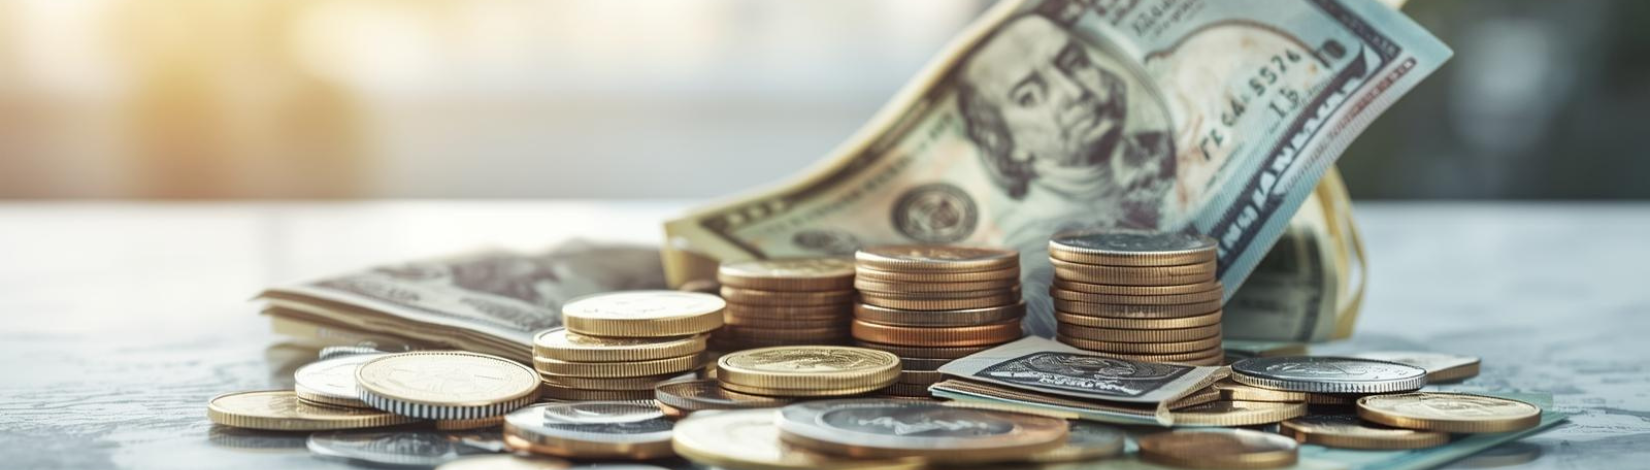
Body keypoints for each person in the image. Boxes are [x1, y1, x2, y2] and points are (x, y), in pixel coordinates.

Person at [957, 14, 1175, 234]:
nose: (1075, 92)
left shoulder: (1161, 146)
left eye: (1074, 63)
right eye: (1029, 97)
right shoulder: (1042, 246)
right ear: (1005, 142)